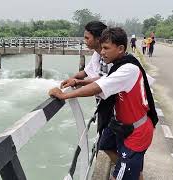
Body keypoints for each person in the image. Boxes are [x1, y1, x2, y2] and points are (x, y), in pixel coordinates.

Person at [49, 27, 158, 180]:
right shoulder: (120, 64)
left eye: (106, 48)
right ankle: (127, 168)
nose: (102, 52)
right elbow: (105, 79)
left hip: (136, 133)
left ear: (120, 49)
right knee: (105, 144)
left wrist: (64, 96)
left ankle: (125, 169)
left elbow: (99, 87)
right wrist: (80, 81)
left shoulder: (128, 69)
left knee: (120, 175)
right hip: (122, 126)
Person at [61, 21, 112, 91]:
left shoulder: (111, 57)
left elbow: (105, 80)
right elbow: (85, 72)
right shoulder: (96, 54)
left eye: (87, 38)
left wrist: (78, 82)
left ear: (98, 39)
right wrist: (72, 78)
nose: (85, 41)